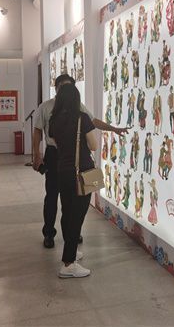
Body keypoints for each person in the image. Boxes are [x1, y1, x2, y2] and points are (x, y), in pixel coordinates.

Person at [33, 74, 126, 249]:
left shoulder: (78, 108)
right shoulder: (46, 107)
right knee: (52, 196)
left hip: (71, 157)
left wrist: (113, 129)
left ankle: (72, 233)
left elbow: (93, 121)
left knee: (71, 198)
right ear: (56, 88)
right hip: (55, 155)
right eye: (63, 87)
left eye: (69, 86)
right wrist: (36, 154)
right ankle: (49, 233)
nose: (66, 90)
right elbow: (38, 131)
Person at [48, 84, 97, 278]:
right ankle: (68, 264)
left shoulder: (54, 120)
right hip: (82, 172)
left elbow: (56, 142)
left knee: (67, 212)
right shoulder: (82, 118)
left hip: (63, 170)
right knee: (78, 215)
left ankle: (72, 252)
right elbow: (93, 145)